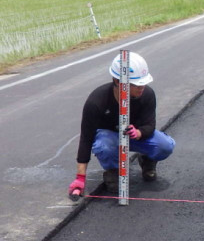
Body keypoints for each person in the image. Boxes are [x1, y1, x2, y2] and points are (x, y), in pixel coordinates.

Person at [68, 52, 175, 197]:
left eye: (143, 83)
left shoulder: (147, 94)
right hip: (110, 138)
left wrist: (139, 133)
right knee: (103, 145)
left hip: (136, 135)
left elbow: (150, 124)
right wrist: (80, 178)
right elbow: (86, 138)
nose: (141, 87)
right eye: (137, 84)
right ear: (118, 81)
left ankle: (147, 159)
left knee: (165, 145)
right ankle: (113, 170)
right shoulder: (96, 102)